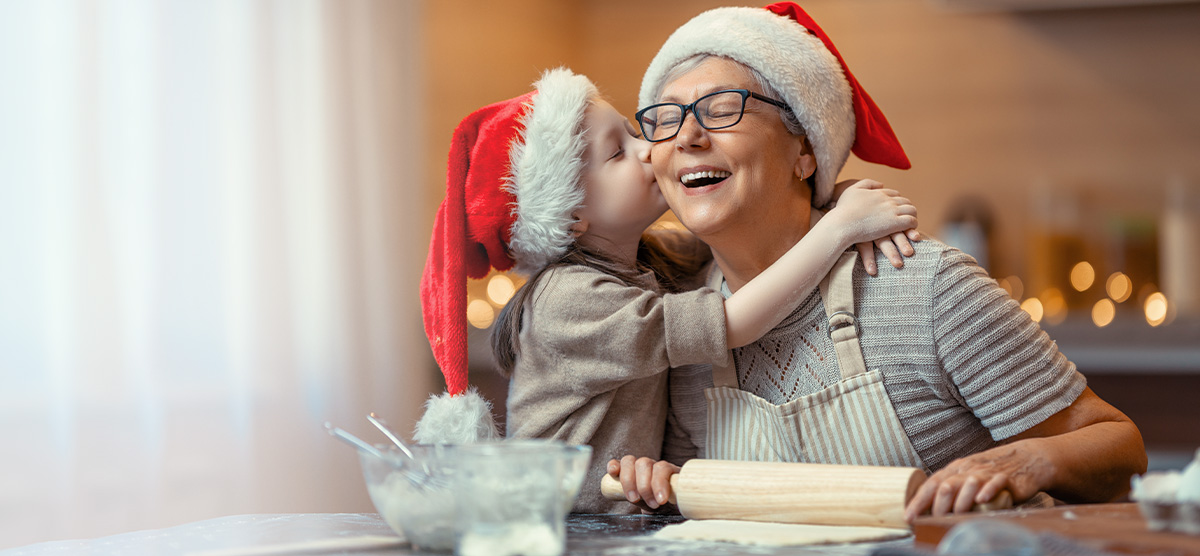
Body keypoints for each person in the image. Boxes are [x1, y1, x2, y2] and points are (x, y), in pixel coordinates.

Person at [607, 2, 1146, 521]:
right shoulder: (683, 327)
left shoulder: (924, 289)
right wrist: (659, 481)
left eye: (723, 109)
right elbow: (696, 501)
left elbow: (1118, 447)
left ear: (806, 151)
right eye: (664, 119)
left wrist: (1030, 461)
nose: (688, 137)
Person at [416, 67, 919, 512]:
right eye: (619, 152)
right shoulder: (567, 301)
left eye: (637, 134)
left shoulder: (648, 260)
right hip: (558, 526)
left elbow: (754, 235)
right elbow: (731, 324)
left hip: (619, 516)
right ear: (570, 215)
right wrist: (837, 230)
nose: (650, 150)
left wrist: (831, 196)